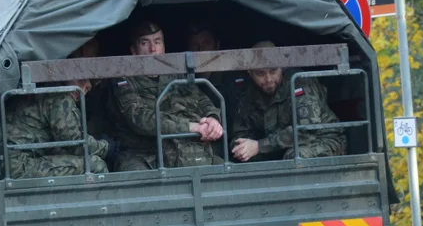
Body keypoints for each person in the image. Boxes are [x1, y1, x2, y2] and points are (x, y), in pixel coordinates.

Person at [110, 18, 224, 171]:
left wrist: (212, 119)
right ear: (134, 51)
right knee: (138, 182)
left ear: (164, 47)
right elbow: (140, 118)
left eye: (157, 42)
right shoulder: (124, 79)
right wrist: (192, 127)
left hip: (182, 148)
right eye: (145, 43)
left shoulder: (175, 73)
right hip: (142, 154)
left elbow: (201, 99)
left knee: (227, 172)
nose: (153, 49)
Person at [231, 40, 347, 162]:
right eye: (260, 73)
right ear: (250, 73)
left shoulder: (299, 82)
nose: (268, 79)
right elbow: (241, 132)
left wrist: (260, 146)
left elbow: (306, 131)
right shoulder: (248, 93)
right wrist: (241, 147)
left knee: (296, 158)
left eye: (273, 71)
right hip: (278, 147)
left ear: (282, 67)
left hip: (323, 139)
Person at [5, 75, 110, 179]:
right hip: (19, 166)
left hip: (11, 161)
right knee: (96, 165)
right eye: (82, 81)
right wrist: (106, 147)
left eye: (87, 89)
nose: (82, 91)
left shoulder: (46, 89)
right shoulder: (61, 98)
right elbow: (76, 143)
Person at [185, 22, 245, 155]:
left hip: (234, 143)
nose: (200, 50)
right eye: (195, 45)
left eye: (206, 43)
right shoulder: (183, 82)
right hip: (199, 145)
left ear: (216, 46)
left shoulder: (233, 79)